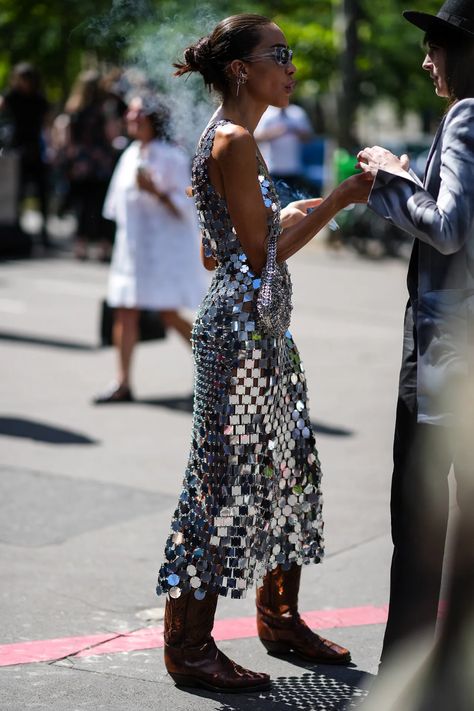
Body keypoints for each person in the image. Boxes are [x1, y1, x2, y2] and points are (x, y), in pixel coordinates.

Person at [155, 13, 372, 693]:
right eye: (279, 53)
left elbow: (218, 246)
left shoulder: (226, 139)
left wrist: (289, 213)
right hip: (241, 332)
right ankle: (188, 644)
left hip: (259, 329)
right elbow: (255, 256)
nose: (291, 65)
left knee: (290, 471)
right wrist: (336, 201)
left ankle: (279, 617)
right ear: (243, 69)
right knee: (219, 484)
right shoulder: (235, 140)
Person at [357, 0, 474, 666]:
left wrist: (388, 178)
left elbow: (450, 226)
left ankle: (406, 675)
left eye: (435, 46)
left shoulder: (467, 114)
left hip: (445, 355)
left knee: (422, 522)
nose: (427, 60)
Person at [93, 94, 206, 404]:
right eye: (129, 112)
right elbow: (116, 208)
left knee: (169, 313)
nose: (131, 118)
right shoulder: (129, 154)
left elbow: (188, 208)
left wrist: (156, 192)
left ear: (153, 119)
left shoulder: (170, 157)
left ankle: (214, 367)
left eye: (137, 113)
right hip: (132, 251)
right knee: (125, 311)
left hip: (162, 252)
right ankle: (123, 382)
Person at [63, 70, 117, 261]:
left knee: (83, 206)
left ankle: (81, 246)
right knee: (101, 205)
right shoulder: (105, 108)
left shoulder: (74, 108)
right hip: (101, 162)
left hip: (82, 162)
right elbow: (111, 135)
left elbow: (68, 138)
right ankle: (104, 247)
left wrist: (73, 159)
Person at [0, 63, 50, 248]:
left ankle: (43, 234)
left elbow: (46, 123)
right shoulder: (12, 96)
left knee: (42, 191)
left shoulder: (39, 99)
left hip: (35, 149)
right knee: (17, 193)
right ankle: (16, 231)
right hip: (16, 150)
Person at [255, 103, 315, 202]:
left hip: (294, 170)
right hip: (272, 171)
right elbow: (255, 137)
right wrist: (274, 133)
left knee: (294, 203)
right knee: (274, 205)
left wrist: (296, 131)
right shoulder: (265, 113)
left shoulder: (298, 113)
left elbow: (309, 137)